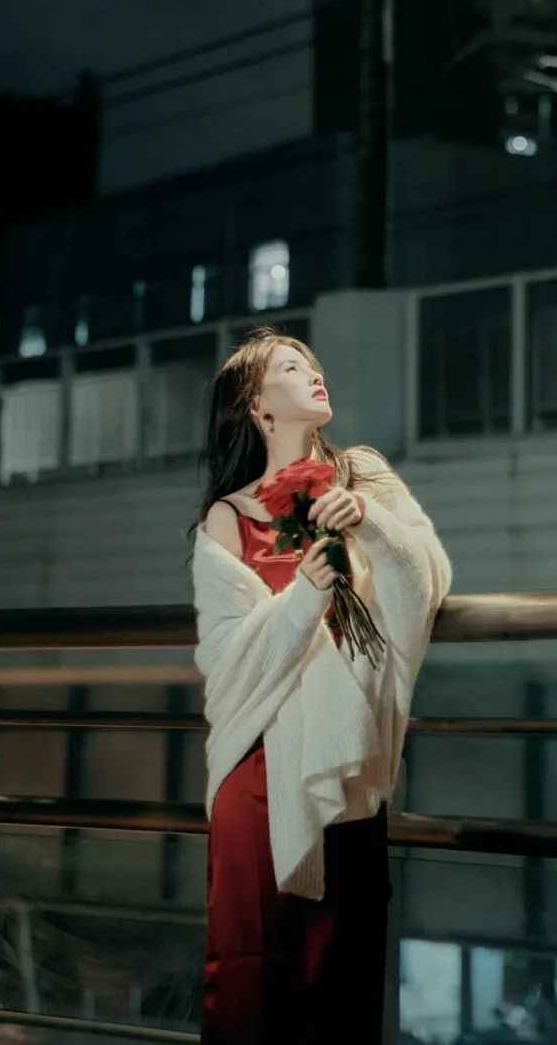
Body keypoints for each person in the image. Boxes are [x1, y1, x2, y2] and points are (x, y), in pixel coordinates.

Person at [189, 325, 452, 1044]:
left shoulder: (362, 475)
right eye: (290, 366)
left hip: (348, 758)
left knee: (343, 969)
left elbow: (429, 575)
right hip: (257, 768)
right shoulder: (228, 516)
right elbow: (227, 661)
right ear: (256, 404)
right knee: (249, 971)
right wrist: (306, 595)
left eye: (312, 362)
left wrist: (368, 521)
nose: (313, 372)